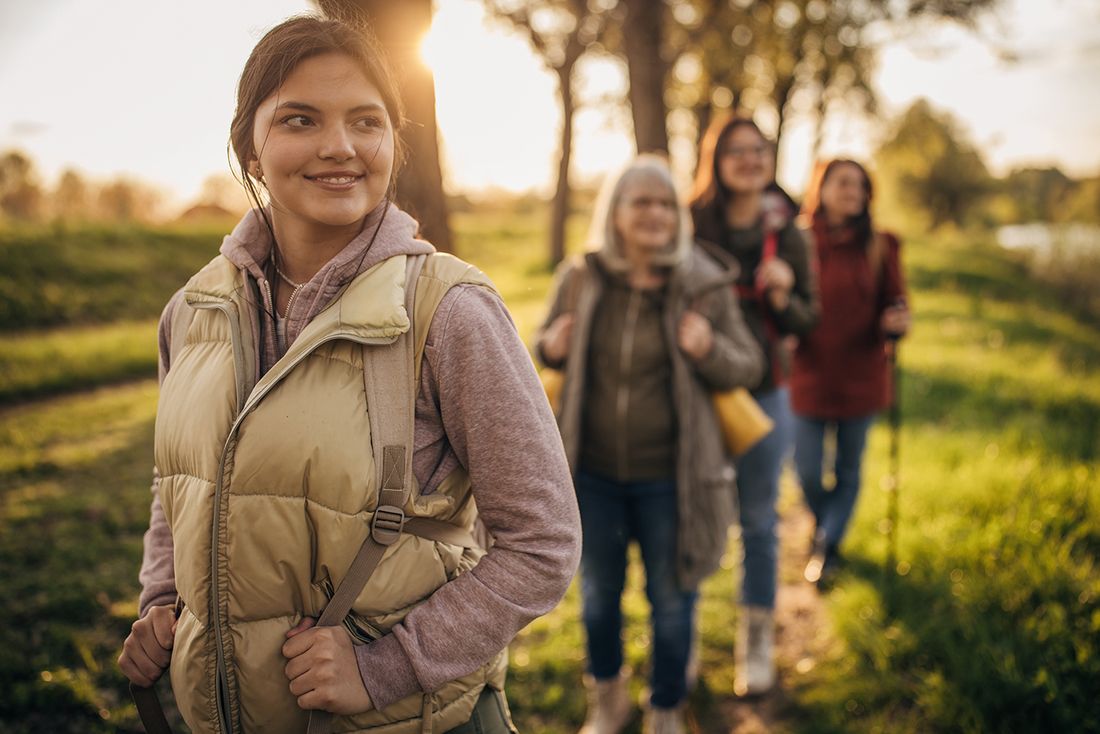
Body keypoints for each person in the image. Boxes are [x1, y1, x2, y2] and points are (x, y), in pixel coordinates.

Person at [117, 15, 581, 734]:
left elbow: (543, 542)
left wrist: (385, 667)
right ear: (250, 144)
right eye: (300, 119)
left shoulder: (450, 311)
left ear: (394, 142)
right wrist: (160, 601)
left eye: (366, 121)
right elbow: (178, 485)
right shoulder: (191, 312)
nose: (339, 147)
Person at [536, 155, 764, 734]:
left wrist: (709, 348)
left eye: (666, 204)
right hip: (593, 474)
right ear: (615, 214)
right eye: (642, 202)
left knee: (672, 599)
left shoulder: (703, 282)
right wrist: (550, 347)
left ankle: (665, 709)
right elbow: (541, 344)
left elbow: (748, 364)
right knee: (597, 596)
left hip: (674, 478)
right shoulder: (581, 277)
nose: (656, 214)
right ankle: (608, 699)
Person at [688, 115, 820, 697]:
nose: (748, 159)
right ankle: (680, 640)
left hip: (765, 392)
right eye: (735, 151)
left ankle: (757, 642)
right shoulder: (690, 223)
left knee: (759, 520)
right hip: (697, 390)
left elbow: (809, 321)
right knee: (688, 512)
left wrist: (785, 294)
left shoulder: (789, 231)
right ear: (715, 160)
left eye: (758, 150)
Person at [790, 159, 910, 588]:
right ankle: (826, 527)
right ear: (820, 188)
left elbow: (895, 302)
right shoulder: (798, 241)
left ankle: (828, 546)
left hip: (862, 376)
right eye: (842, 183)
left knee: (849, 469)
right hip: (807, 374)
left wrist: (897, 322)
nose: (851, 192)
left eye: (860, 186)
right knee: (804, 468)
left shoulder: (882, 245)